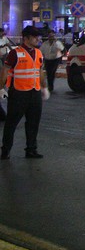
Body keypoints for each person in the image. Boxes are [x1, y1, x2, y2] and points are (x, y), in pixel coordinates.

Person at [0, 26, 47, 160]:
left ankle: (31, 150)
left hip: (35, 93)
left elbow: (40, 71)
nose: (38, 39)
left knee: (33, 123)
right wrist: (1, 88)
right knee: (11, 123)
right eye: (35, 37)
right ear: (26, 38)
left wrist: (44, 87)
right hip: (18, 93)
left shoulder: (38, 53)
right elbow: (5, 71)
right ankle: (5, 150)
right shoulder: (15, 53)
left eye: (38, 36)